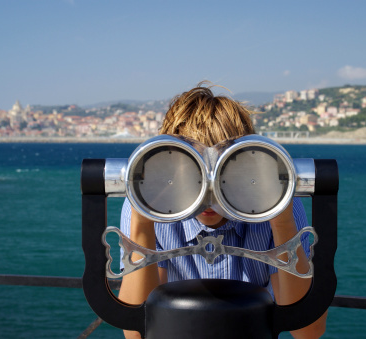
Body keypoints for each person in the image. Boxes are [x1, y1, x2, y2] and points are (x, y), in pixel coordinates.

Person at [118, 82, 327, 338]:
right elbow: (137, 334)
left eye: (224, 177)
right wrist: (143, 222)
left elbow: (308, 331)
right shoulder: (149, 206)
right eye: (193, 176)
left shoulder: (278, 206)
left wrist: (281, 221)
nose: (209, 197)